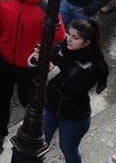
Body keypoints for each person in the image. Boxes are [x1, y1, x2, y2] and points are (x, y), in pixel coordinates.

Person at [0, 0, 66, 151]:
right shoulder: (5, 1)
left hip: (29, 66)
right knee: (1, 98)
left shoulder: (45, 7)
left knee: (27, 100)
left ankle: (34, 129)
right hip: (5, 61)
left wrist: (45, 57)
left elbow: (59, 38)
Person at [31, 18, 110, 163]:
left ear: (86, 43)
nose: (69, 40)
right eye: (69, 34)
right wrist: (38, 57)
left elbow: (70, 92)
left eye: (75, 37)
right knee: (38, 143)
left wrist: (51, 68)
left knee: (68, 149)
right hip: (51, 108)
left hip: (73, 116)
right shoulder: (62, 48)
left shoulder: (94, 66)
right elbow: (39, 65)